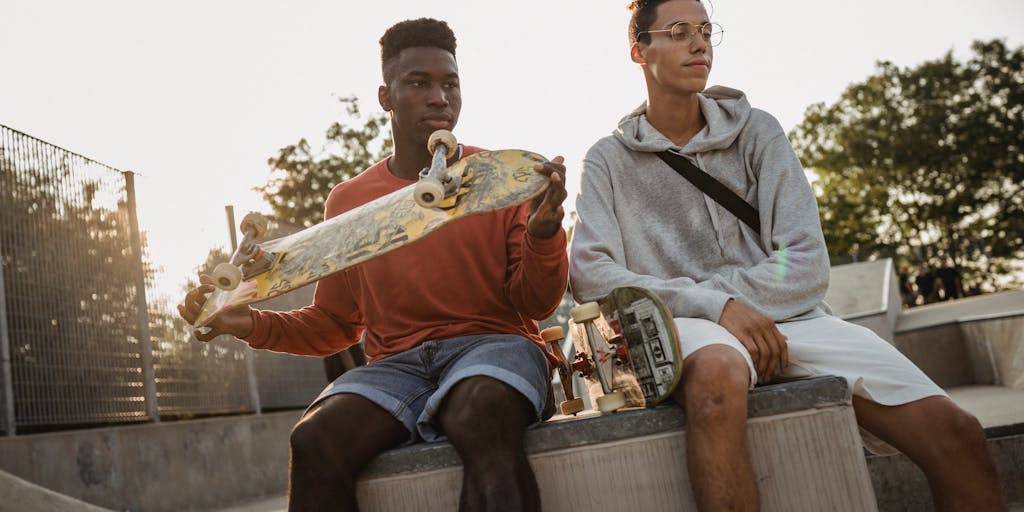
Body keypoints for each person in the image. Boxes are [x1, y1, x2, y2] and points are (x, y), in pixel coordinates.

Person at [567, 1, 1005, 510]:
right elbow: (593, 275)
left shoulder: (757, 131)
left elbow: (804, 262)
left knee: (959, 435)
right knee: (715, 382)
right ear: (639, 50)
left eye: (706, 30)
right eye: (679, 31)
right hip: (684, 324)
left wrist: (737, 306)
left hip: (792, 318)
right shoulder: (606, 159)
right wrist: (718, 309)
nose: (699, 43)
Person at [178, 18, 569, 512]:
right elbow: (337, 323)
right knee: (314, 440)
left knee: (480, 409)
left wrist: (543, 233)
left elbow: (536, 302)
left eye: (450, 84)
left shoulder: (497, 177)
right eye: (418, 83)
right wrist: (248, 323)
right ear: (385, 98)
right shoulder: (350, 201)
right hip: (395, 366)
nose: (439, 97)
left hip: (494, 348)